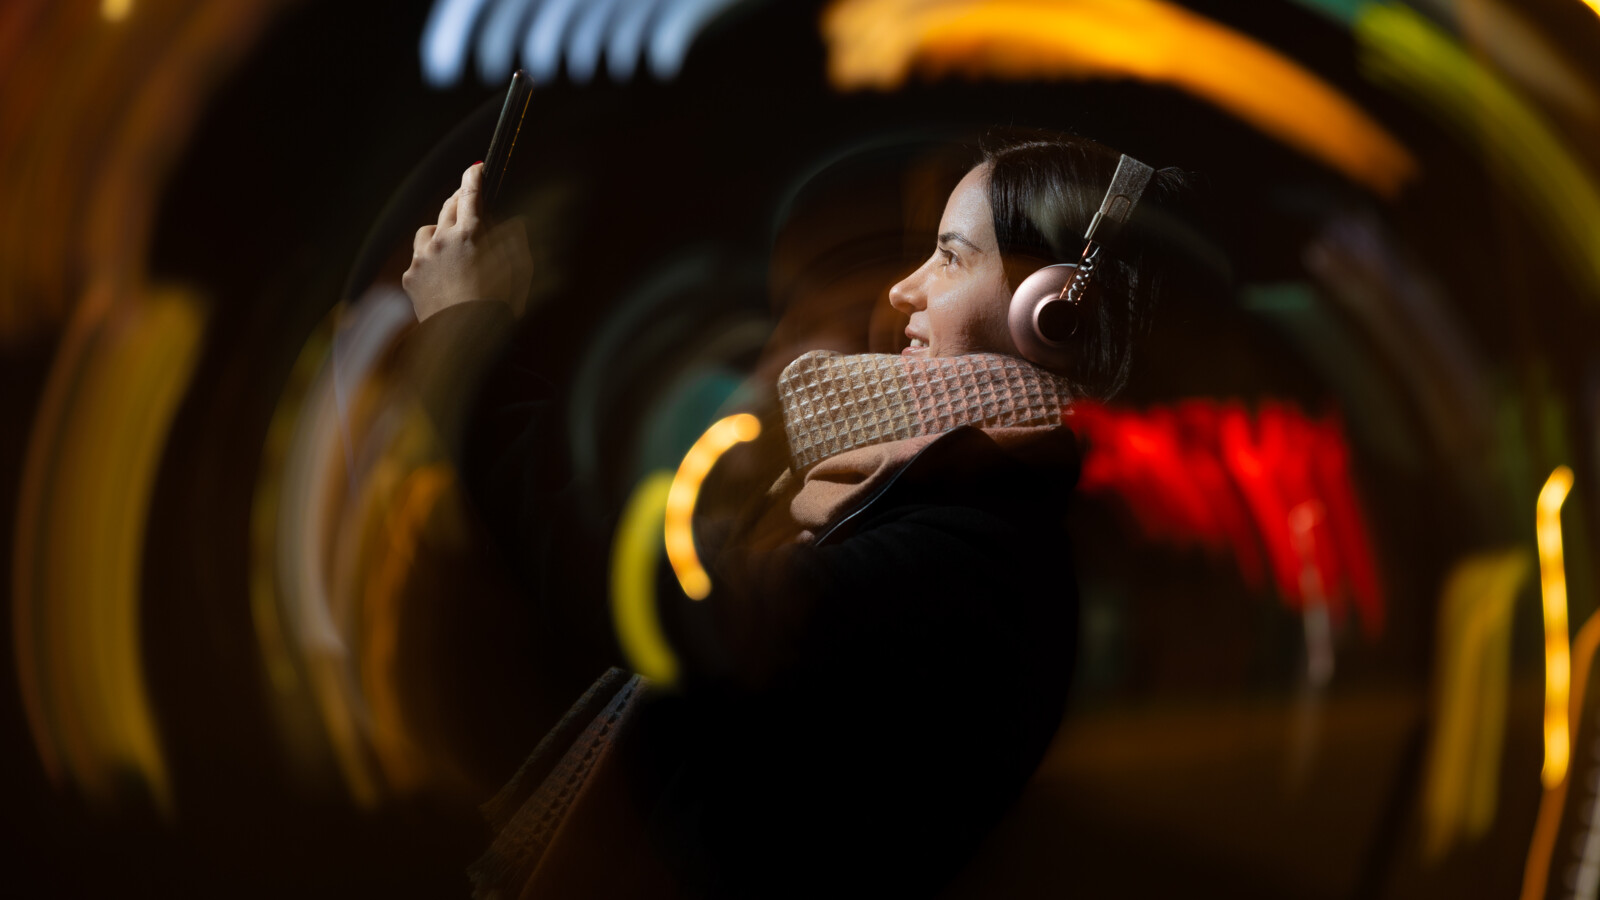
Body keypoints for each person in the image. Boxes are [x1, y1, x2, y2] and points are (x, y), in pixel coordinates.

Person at [402, 135, 1189, 898]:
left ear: (1052, 310)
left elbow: (665, 604)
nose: (904, 289)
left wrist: (465, 341)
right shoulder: (945, 508)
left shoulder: (972, 563)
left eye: (950, 257)